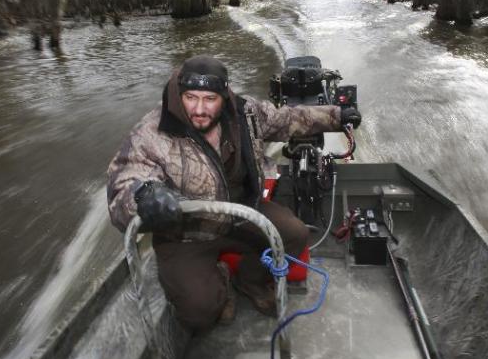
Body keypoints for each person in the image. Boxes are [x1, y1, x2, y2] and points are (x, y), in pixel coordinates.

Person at [107, 55, 360, 330]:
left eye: (209, 99)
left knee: (295, 234)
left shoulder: (244, 113)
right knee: (198, 315)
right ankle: (222, 279)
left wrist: (336, 116)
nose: (199, 109)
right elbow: (124, 181)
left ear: (224, 97)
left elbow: (286, 119)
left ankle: (248, 281)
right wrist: (144, 197)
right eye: (191, 97)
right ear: (180, 94)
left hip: (242, 212)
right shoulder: (153, 131)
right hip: (185, 233)